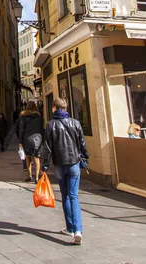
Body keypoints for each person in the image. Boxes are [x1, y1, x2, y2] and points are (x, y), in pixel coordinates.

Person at [41, 97, 88, 246]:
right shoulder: (75, 123)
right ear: (66, 108)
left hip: (60, 164)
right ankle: (78, 231)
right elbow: (82, 143)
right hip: (74, 163)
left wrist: (45, 166)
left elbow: (47, 148)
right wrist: (85, 157)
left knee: (65, 195)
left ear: (54, 109)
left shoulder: (51, 125)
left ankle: (70, 228)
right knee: (74, 196)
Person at [18, 101, 43, 183]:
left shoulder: (23, 116)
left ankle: (29, 176)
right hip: (37, 138)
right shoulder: (39, 116)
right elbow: (41, 128)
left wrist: (20, 141)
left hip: (27, 139)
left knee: (28, 157)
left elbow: (21, 129)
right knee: (36, 158)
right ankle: (36, 177)